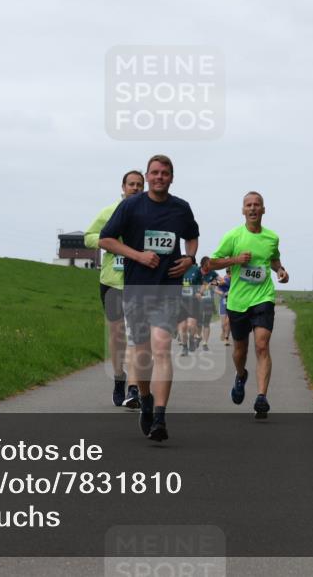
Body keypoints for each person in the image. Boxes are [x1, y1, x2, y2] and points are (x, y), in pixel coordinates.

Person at [99, 155, 199, 441]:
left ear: (172, 177)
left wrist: (189, 258)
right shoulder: (131, 206)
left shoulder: (181, 208)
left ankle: (160, 417)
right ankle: (145, 399)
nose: (159, 177)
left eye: (164, 173)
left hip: (168, 288)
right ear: (147, 176)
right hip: (137, 288)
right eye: (154, 173)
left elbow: (192, 236)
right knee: (142, 354)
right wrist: (138, 255)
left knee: (162, 346)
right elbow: (106, 239)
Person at [204, 191, 288, 419]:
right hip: (238, 301)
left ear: (263, 210)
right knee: (240, 350)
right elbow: (211, 263)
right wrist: (235, 260)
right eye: (248, 205)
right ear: (243, 210)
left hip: (263, 297)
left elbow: (273, 259)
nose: (252, 208)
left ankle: (261, 397)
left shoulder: (272, 237)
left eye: (256, 205)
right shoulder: (233, 236)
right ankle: (241, 375)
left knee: (262, 345)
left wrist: (280, 270)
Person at [85, 170, 144, 408]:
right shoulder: (109, 212)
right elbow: (89, 237)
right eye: (131, 184)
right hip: (112, 281)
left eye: (139, 184)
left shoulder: (148, 213)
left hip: (139, 281)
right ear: (123, 187)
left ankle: (133, 388)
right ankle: (119, 378)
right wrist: (109, 242)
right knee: (118, 335)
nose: (135, 188)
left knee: (137, 335)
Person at [195, 257, 219, 352]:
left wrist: (213, 284)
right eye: (207, 265)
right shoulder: (196, 272)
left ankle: (205, 343)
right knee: (198, 322)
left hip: (208, 301)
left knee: (206, 322)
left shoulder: (212, 273)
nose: (208, 267)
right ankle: (198, 336)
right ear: (202, 265)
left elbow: (222, 281)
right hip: (197, 301)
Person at [214, 271, 231, 344]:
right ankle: (223, 331)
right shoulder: (224, 280)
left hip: (232, 303)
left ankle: (227, 338)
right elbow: (216, 289)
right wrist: (222, 293)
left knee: (228, 322)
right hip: (223, 303)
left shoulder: (235, 281)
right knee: (223, 323)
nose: (229, 275)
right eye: (228, 273)